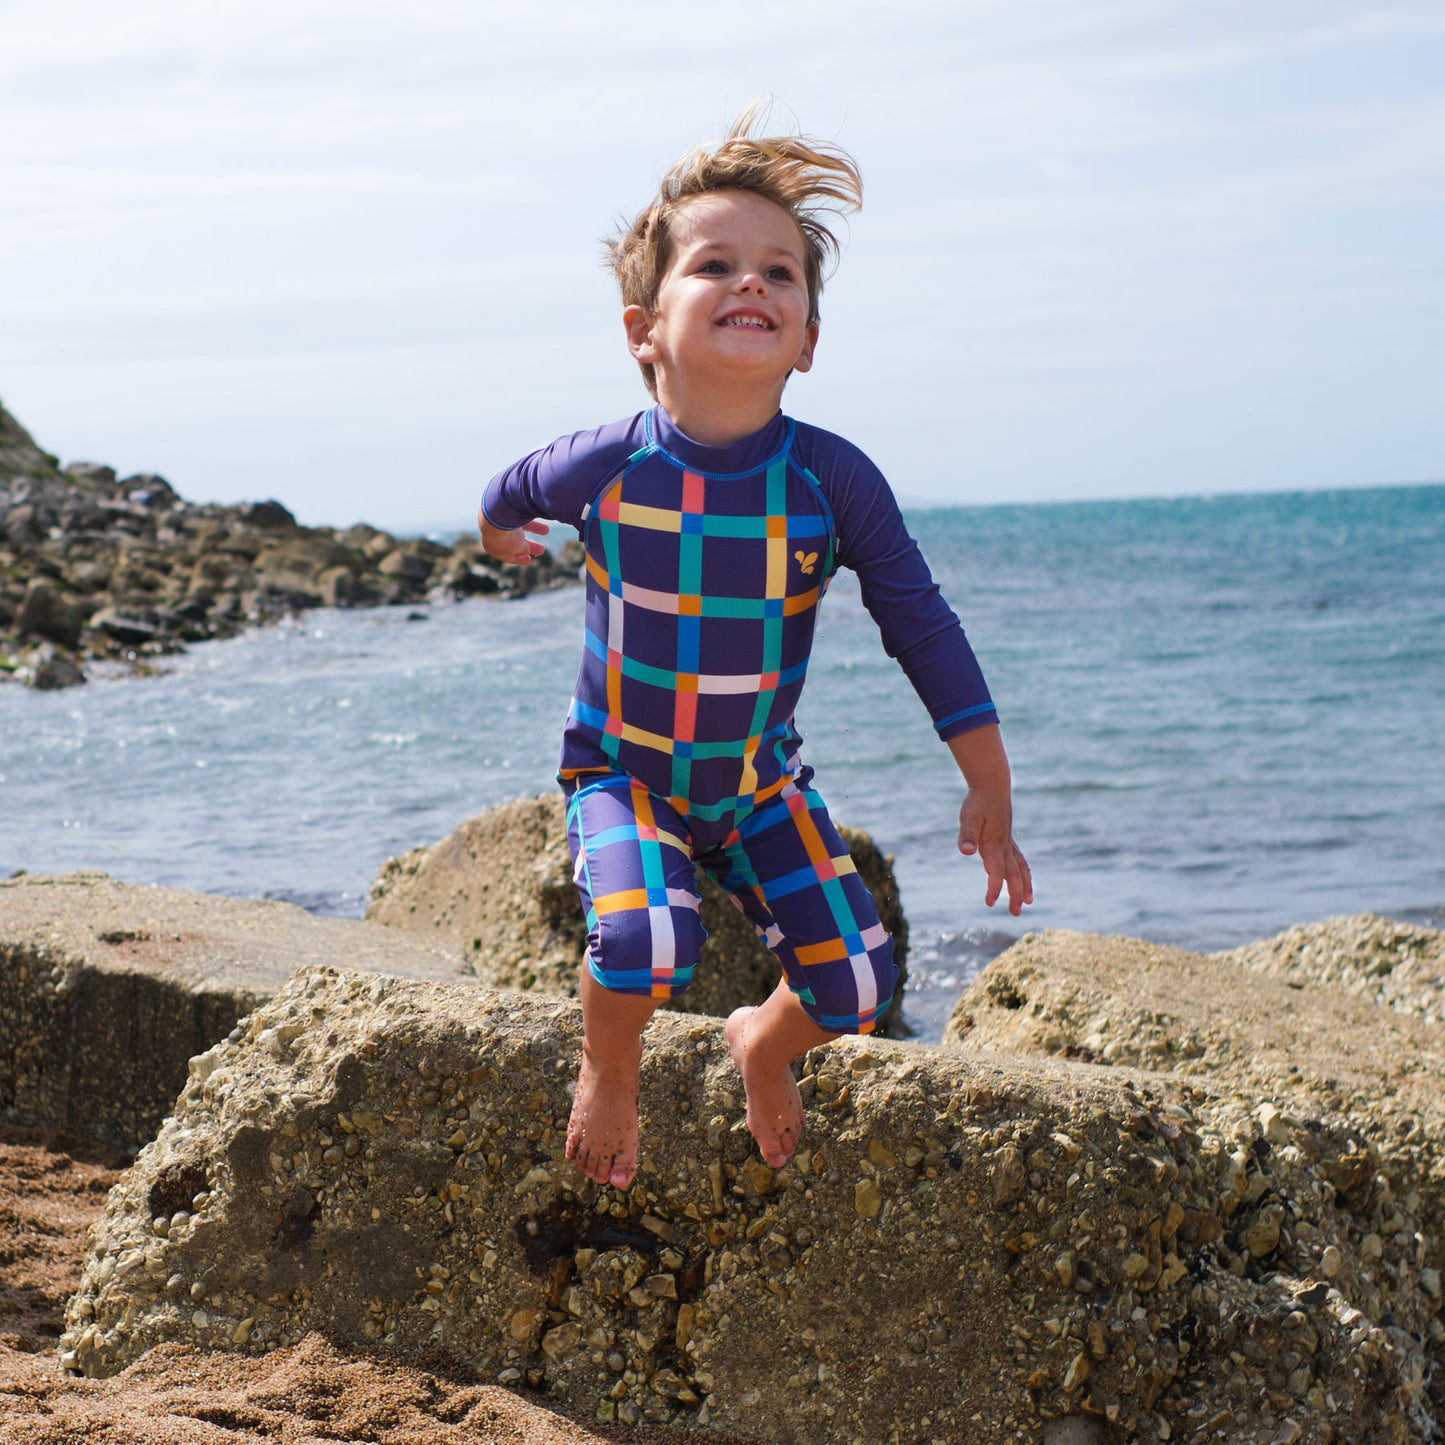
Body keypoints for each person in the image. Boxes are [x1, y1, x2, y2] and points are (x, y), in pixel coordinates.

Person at [478, 108, 1031, 1191]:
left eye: (780, 273)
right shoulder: (604, 464)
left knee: (856, 983)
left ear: (809, 338)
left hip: (755, 782)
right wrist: (502, 533)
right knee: (644, 944)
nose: (751, 284)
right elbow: (510, 488)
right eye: (716, 264)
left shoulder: (832, 481)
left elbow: (920, 622)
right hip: (622, 773)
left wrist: (987, 780)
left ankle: (758, 1043)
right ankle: (610, 1065)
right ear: (642, 327)